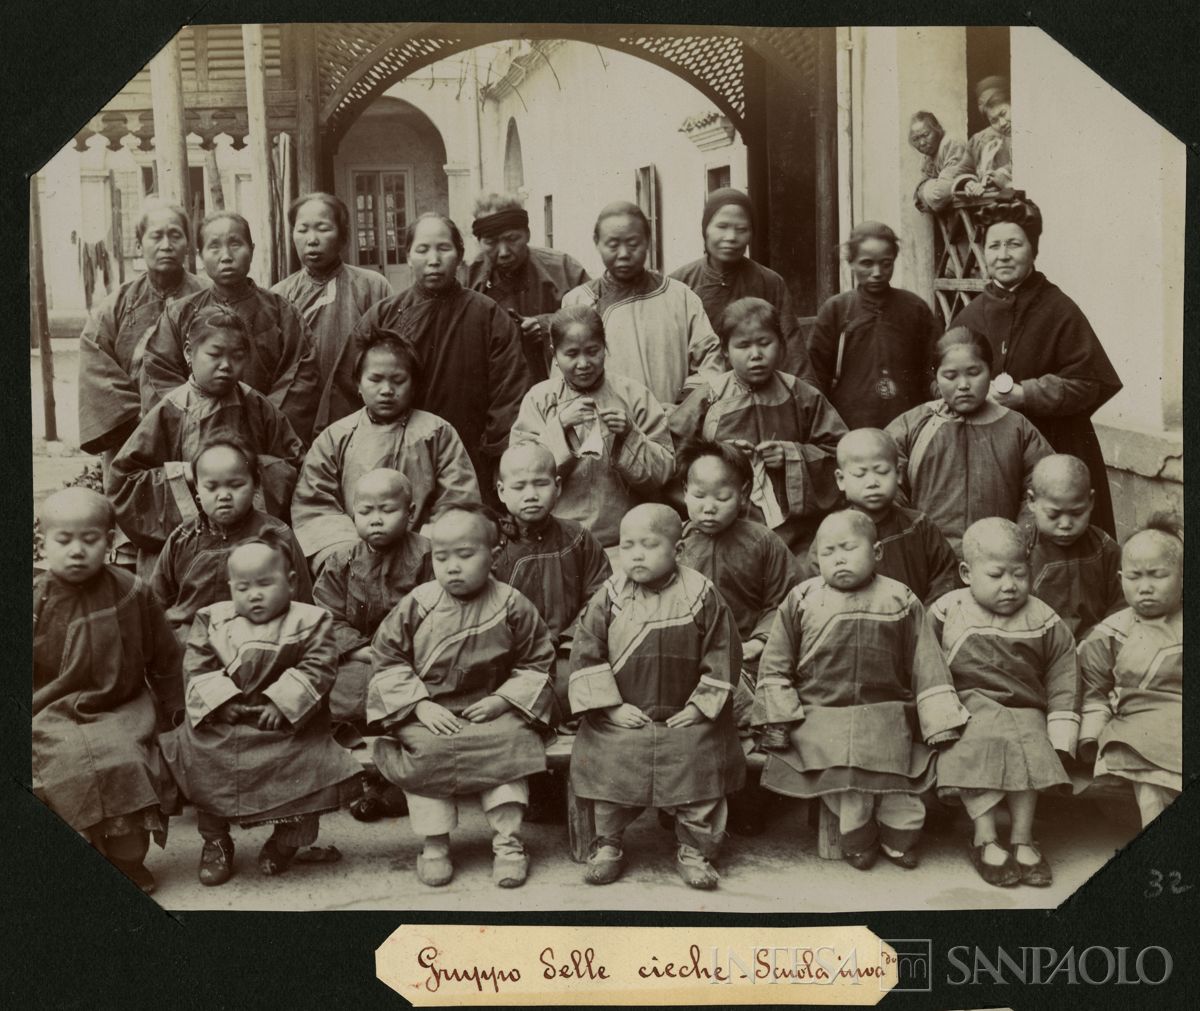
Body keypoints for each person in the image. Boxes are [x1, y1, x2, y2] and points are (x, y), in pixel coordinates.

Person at [753, 510, 968, 870]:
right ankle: (858, 836)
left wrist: (937, 721)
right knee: (847, 789)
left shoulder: (900, 599)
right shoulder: (802, 599)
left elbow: (926, 661)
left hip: (886, 709)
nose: (838, 558)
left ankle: (898, 836)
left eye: (849, 548)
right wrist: (778, 718)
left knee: (900, 784)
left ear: (877, 552)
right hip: (821, 710)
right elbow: (776, 661)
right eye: (828, 551)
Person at [366, 505, 555, 888]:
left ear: (494, 554)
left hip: (493, 709)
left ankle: (508, 844)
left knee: (513, 745)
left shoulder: (512, 603)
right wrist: (419, 705)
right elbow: (386, 658)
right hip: (430, 712)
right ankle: (435, 845)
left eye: (465, 555)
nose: (452, 566)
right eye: (442, 556)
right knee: (427, 753)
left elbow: (538, 660)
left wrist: (503, 701)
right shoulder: (418, 603)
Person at [160, 536, 362, 886]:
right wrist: (222, 703)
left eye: (265, 584)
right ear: (230, 588)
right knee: (201, 758)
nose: (254, 594)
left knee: (310, 768)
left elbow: (320, 666)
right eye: (243, 587)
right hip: (228, 720)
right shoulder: (212, 620)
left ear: (291, 582)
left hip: (287, 724)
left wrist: (281, 701)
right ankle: (216, 841)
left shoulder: (311, 620)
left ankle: (285, 842)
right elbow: (198, 666)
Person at [569, 504, 744, 890]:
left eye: (649, 545)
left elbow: (724, 651)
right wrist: (611, 708)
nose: (635, 554)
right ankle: (608, 844)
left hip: (686, 716)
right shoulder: (610, 596)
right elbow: (586, 651)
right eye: (628, 545)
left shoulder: (701, 594)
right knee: (610, 760)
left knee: (700, 760)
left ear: (678, 551)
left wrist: (700, 708)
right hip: (624, 716)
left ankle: (695, 849)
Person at [33, 489, 180, 895]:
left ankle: (127, 861)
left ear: (111, 541)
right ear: (43, 542)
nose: (77, 551)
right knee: (61, 765)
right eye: (64, 540)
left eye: (90, 539)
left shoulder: (134, 592)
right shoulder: (32, 599)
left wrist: (176, 714)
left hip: (121, 708)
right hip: (50, 714)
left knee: (127, 762)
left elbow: (166, 659)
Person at [952, 195, 1122, 534]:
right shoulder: (970, 315)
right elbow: (939, 379)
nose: (1002, 255)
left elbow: (1091, 382)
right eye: (993, 245)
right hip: (991, 455)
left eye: (1014, 244)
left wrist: (1026, 394)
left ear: (1033, 249)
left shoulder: (1059, 309)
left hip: (1059, 445)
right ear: (983, 252)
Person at [929, 518, 1080, 888]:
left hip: (1025, 706)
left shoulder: (1043, 617)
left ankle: (1023, 837)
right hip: (968, 707)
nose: (1010, 586)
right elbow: (924, 662)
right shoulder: (946, 610)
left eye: (1019, 573)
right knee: (977, 745)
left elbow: (1064, 669)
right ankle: (984, 837)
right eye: (996, 575)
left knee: (1030, 746)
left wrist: (1060, 728)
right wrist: (937, 715)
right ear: (966, 572)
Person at [339, 213, 531, 503]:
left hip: (470, 460)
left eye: (443, 248)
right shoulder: (384, 316)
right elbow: (347, 390)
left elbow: (509, 393)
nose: (433, 259)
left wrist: (497, 458)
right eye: (422, 249)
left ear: (460, 255)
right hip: (391, 457)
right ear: (408, 257)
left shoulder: (487, 314)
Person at [108, 306, 306, 579]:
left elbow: (293, 463)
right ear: (189, 352)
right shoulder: (170, 410)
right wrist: (187, 474)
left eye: (237, 356)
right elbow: (124, 483)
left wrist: (248, 472)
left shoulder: (257, 406)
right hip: (184, 548)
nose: (226, 365)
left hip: (252, 543)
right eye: (214, 354)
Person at [677, 440, 801, 836]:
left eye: (722, 496)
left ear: (744, 495)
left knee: (762, 692)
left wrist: (761, 641)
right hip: (688, 658)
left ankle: (748, 800)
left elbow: (784, 601)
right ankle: (685, 804)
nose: (708, 506)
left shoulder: (764, 541)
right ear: (684, 494)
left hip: (749, 652)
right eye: (698, 495)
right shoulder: (676, 542)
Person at [291, 327, 480, 572]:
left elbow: (458, 497)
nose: (387, 390)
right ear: (358, 384)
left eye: (398, 380)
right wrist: (348, 550)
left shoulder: (436, 432)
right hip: (353, 557)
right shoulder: (336, 437)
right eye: (375, 379)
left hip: (423, 556)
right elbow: (314, 503)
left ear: (414, 386)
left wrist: (427, 546)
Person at [671, 297, 845, 554]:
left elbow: (841, 454)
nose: (756, 355)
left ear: (782, 347)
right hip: (722, 530)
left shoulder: (801, 394)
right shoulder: (709, 398)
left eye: (765, 343)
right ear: (725, 352)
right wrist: (720, 456)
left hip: (795, 536)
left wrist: (791, 455)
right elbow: (672, 458)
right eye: (743, 345)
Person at [139, 211, 321, 443]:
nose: (226, 256)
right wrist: (201, 421)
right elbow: (160, 374)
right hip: (195, 437)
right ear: (201, 256)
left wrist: (259, 422)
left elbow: (301, 378)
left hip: (263, 437)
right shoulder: (179, 314)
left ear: (252, 250)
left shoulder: (281, 311)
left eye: (235, 244)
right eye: (214, 247)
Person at [511, 305, 675, 548]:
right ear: (554, 354)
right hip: (556, 542)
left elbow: (662, 474)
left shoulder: (634, 396)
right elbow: (520, 472)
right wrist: (560, 426)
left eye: (592, 351)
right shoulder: (540, 398)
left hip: (624, 541)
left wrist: (630, 434)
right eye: (572, 354)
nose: (584, 363)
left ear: (605, 347)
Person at [886, 326, 1052, 556]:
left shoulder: (1017, 428)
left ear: (990, 371)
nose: (963, 385)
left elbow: (1044, 486)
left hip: (999, 559)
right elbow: (886, 484)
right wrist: (911, 540)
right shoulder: (912, 425)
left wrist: (1019, 539)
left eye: (974, 373)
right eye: (950, 376)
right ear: (936, 377)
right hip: (928, 559)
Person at [77, 199, 208, 474]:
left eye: (175, 235)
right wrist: (142, 418)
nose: (166, 245)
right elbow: (96, 365)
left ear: (188, 244)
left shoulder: (210, 296)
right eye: (155, 236)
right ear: (138, 245)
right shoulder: (115, 306)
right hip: (131, 430)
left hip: (201, 425)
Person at [492, 442, 611, 729]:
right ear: (501, 491)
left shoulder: (578, 538)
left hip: (568, 652)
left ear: (557, 486)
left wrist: (571, 642)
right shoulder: (491, 543)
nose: (531, 495)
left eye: (541, 484)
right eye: (519, 486)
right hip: (510, 657)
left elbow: (601, 595)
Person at [561, 201, 723, 407]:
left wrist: (683, 409)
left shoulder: (680, 296)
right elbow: (563, 378)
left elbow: (710, 363)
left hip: (673, 425)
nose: (623, 254)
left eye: (632, 243)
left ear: (647, 241)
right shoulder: (578, 302)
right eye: (613, 245)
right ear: (597, 242)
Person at [151, 439, 311, 646]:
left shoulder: (277, 535)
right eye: (212, 487)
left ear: (255, 485)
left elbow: (302, 603)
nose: (224, 495)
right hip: (190, 642)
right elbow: (156, 601)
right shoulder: (182, 537)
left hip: (258, 642)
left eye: (236, 485)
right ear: (197, 490)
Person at [1078, 517, 1183, 828]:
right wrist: (1090, 737)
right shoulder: (1110, 632)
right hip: (1135, 726)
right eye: (1135, 577)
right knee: (1150, 788)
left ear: (1183, 576)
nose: (1145, 588)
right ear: (1121, 578)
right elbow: (1094, 689)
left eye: (1158, 575)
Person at [311, 469, 431, 738]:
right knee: (331, 686)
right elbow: (327, 615)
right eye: (366, 512)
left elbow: (439, 612)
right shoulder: (341, 561)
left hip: (410, 657)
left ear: (410, 513)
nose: (376, 520)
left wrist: (404, 651)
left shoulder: (428, 555)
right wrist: (356, 650)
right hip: (358, 655)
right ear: (353, 513)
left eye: (387, 511)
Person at [271, 193, 394, 431]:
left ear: (343, 237)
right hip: (297, 417)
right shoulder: (279, 296)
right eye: (302, 229)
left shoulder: (372, 286)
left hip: (358, 413)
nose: (312, 239)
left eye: (323, 229)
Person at [808, 221, 941, 430]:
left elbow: (932, 364)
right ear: (851, 262)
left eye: (886, 263)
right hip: (850, 423)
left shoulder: (915, 308)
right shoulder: (836, 310)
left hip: (910, 421)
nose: (877, 272)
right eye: (867, 263)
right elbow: (817, 373)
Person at [669, 187, 812, 381]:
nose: (731, 237)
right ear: (705, 229)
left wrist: (804, 402)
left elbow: (792, 349)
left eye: (741, 229)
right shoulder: (679, 284)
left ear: (751, 234)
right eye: (722, 226)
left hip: (759, 392)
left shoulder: (770, 282)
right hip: (696, 394)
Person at [464, 191, 590, 383]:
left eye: (513, 239)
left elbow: (596, 318)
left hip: (557, 383)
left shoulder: (563, 269)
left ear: (528, 234)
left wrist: (549, 324)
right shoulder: (469, 277)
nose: (504, 252)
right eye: (491, 243)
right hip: (496, 387)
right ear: (480, 242)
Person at [833, 428, 959, 605]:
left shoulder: (919, 525)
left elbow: (945, 576)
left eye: (882, 471)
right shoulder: (832, 533)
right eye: (860, 474)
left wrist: (928, 618)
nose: (872, 483)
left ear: (899, 473)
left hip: (919, 625)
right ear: (841, 480)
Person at [1025, 454, 1123, 638]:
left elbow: (1121, 603)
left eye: (1077, 513)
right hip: (1041, 649)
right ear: (1032, 501)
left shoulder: (1104, 547)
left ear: (1091, 500)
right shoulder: (1021, 549)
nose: (1065, 524)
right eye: (1053, 515)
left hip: (1096, 648)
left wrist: (1100, 639)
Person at [908, 111, 977, 214]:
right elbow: (921, 204)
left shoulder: (951, 143)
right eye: (916, 139)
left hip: (973, 209)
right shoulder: (927, 156)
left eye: (926, 135)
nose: (922, 143)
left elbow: (940, 193)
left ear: (937, 129)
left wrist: (922, 190)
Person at [967, 76, 1013, 193]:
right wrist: (969, 183)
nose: (1002, 124)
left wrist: (1006, 183)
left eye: (1003, 113)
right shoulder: (980, 139)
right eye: (994, 121)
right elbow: (964, 168)